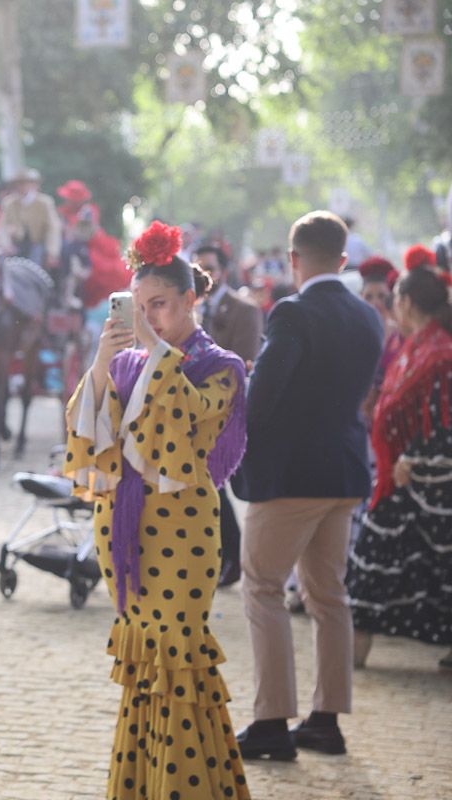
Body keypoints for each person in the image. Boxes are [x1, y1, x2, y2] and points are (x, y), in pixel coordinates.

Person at [65, 221, 251, 799]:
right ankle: (142, 786)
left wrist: (158, 350)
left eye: (161, 305)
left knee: (180, 660)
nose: (149, 317)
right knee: (145, 663)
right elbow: (89, 436)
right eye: (139, 306)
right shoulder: (123, 365)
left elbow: (188, 431)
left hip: (184, 536)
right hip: (124, 531)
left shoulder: (222, 367)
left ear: (192, 301)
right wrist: (100, 362)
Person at [233, 211, 383, 761]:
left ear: (293, 259)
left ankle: (272, 722)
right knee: (329, 596)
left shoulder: (292, 312)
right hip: (344, 471)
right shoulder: (369, 317)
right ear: (343, 260)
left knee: (263, 588)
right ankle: (326, 720)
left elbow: (263, 395)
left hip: (292, 477)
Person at [348, 249, 452, 670]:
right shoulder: (412, 346)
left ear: (406, 303)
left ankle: (348, 664)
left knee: (438, 568)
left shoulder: (441, 355)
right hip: (400, 480)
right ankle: (348, 662)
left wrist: (417, 460)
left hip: (431, 481)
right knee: (374, 563)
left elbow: (443, 422)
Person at [196, 244, 264, 588]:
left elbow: (246, 361)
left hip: (227, 410)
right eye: (198, 266)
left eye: (209, 266)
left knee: (217, 485)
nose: (205, 272)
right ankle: (217, 556)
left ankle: (232, 557)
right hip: (194, 410)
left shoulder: (243, 309)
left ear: (224, 269)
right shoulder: (190, 307)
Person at [356, 256, 404, 419]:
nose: (375, 303)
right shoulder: (356, 336)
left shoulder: (402, 336)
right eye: (368, 297)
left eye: (381, 296)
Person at [0, 168, 62, 269]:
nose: (22, 187)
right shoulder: (9, 203)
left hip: (37, 243)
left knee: (35, 265)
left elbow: (53, 228)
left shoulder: (45, 202)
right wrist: (6, 245)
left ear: (35, 185)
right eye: (19, 183)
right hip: (16, 245)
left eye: (26, 183)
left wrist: (52, 252)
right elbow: (1, 227)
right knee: (5, 266)